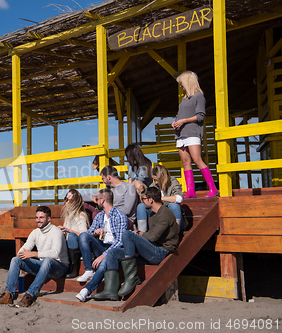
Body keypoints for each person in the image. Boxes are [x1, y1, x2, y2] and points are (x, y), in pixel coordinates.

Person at [90, 187, 179, 301]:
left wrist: (139, 233)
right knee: (112, 252)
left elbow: (152, 236)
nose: (142, 201)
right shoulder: (152, 214)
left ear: (151, 199)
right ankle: (111, 290)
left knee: (128, 234)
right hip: (151, 248)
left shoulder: (165, 213)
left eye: (143, 199)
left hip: (161, 252)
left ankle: (131, 278)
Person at [0, 206, 68, 307]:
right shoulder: (35, 232)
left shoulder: (56, 231)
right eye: (37, 217)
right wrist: (23, 254)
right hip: (42, 266)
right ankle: (8, 294)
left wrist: (33, 254)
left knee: (47, 260)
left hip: (59, 267)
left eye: (41, 217)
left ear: (49, 219)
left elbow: (55, 253)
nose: (38, 220)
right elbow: (21, 251)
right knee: (15, 260)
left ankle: (30, 294)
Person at [172, 70, 218, 198]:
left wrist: (184, 121)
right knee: (185, 162)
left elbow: (200, 116)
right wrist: (175, 122)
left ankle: (213, 189)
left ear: (187, 82)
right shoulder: (185, 98)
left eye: (181, 83)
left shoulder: (199, 96)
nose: (181, 85)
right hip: (181, 134)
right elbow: (180, 115)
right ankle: (191, 192)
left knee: (197, 160)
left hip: (192, 133)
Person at [75, 189, 127, 294]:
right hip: (102, 246)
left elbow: (120, 242)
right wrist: (95, 233)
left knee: (103, 263)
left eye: (97, 199)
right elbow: (88, 234)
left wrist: (103, 255)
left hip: (114, 249)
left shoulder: (120, 216)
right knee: (84, 235)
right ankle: (89, 269)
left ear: (102, 200)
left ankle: (86, 290)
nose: (96, 201)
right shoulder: (99, 216)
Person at [137, 165, 185, 232]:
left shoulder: (173, 182)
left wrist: (161, 198)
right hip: (158, 217)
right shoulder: (153, 186)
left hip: (172, 217)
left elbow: (179, 198)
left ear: (163, 177)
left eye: (157, 180)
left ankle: (176, 232)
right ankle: (141, 233)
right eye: (154, 180)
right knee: (141, 206)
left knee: (174, 205)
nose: (156, 182)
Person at [58, 189, 90, 278]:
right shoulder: (68, 215)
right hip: (69, 246)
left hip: (78, 247)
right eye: (66, 199)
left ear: (75, 202)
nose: (67, 202)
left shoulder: (80, 215)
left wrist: (68, 230)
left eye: (70, 200)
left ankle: (73, 267)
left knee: (72, 236)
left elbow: (84, 235)